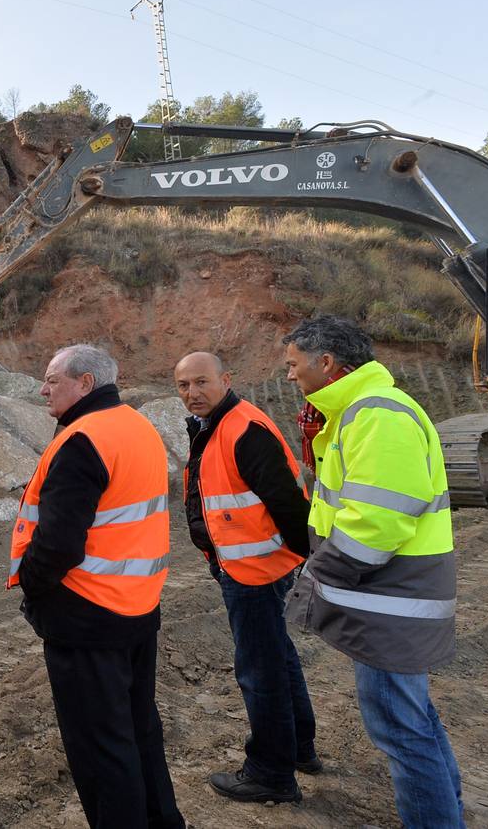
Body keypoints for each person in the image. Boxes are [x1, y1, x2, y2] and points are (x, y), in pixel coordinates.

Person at [282, 316, 462, 829]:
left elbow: (377, 521)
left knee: (402, 732)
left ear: (327, 363)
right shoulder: (357, 413)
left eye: (294, 366)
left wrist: (319, 577)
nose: (290, 376)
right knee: (414, 723)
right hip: (388, 602)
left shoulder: (376, 415)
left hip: (390, 606)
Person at [9, 344, 184, 829]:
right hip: (136, 606)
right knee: (137, 729)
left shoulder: (83, 439)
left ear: (85, 384)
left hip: (86, 616)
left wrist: (33, 586)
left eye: (51, 379)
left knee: (99, 747)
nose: (43, 389)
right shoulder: (137, 426)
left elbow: (58, 542)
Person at [174, 351, 319, 804]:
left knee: (260, 670)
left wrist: (299, 558)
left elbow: (290, 504)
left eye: (201, 382)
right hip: (251, 566)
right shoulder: (216, 425)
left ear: (226, 380)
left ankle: (270, 773)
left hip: (254, 571)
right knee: (277, 658)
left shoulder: (242, 428)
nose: (192, 393)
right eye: (183, 386)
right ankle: (299, 750)